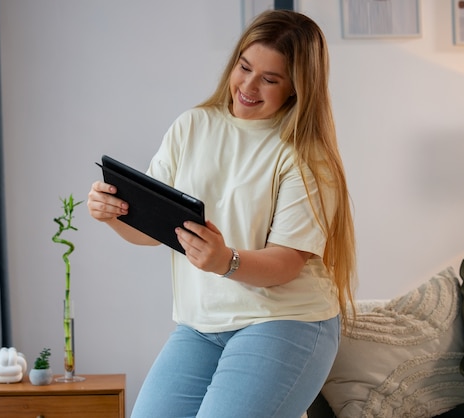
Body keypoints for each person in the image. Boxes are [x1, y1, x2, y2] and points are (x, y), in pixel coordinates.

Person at [87, 9, 356, 418]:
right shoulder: (192, 126)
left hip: (286, 320)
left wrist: (225, 261)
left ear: (297, 89)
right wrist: (114, 214)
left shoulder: (305, 155)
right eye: (244, 67)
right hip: (202, 326)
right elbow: (155, 229)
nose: (248, 86)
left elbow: (286, 262)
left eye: (270, 79)